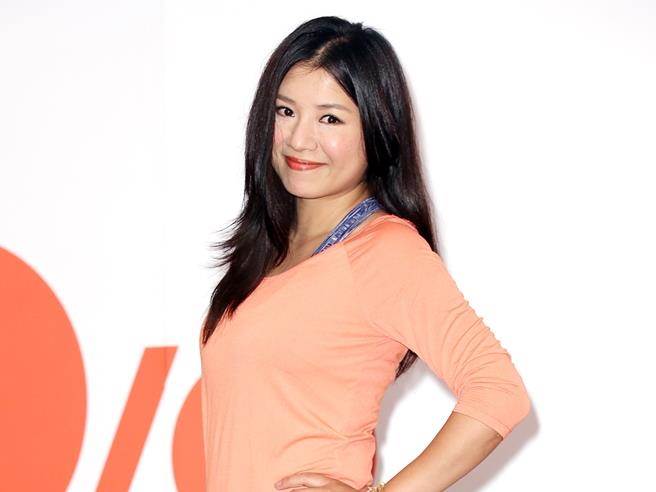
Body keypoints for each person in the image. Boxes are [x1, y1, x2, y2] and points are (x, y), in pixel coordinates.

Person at [198, 15, 531, 492]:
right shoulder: (270, 247)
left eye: (330, 118)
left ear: (376, 130)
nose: (299, 139)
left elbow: (499, 391)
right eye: (286, 111)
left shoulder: (382, 250)